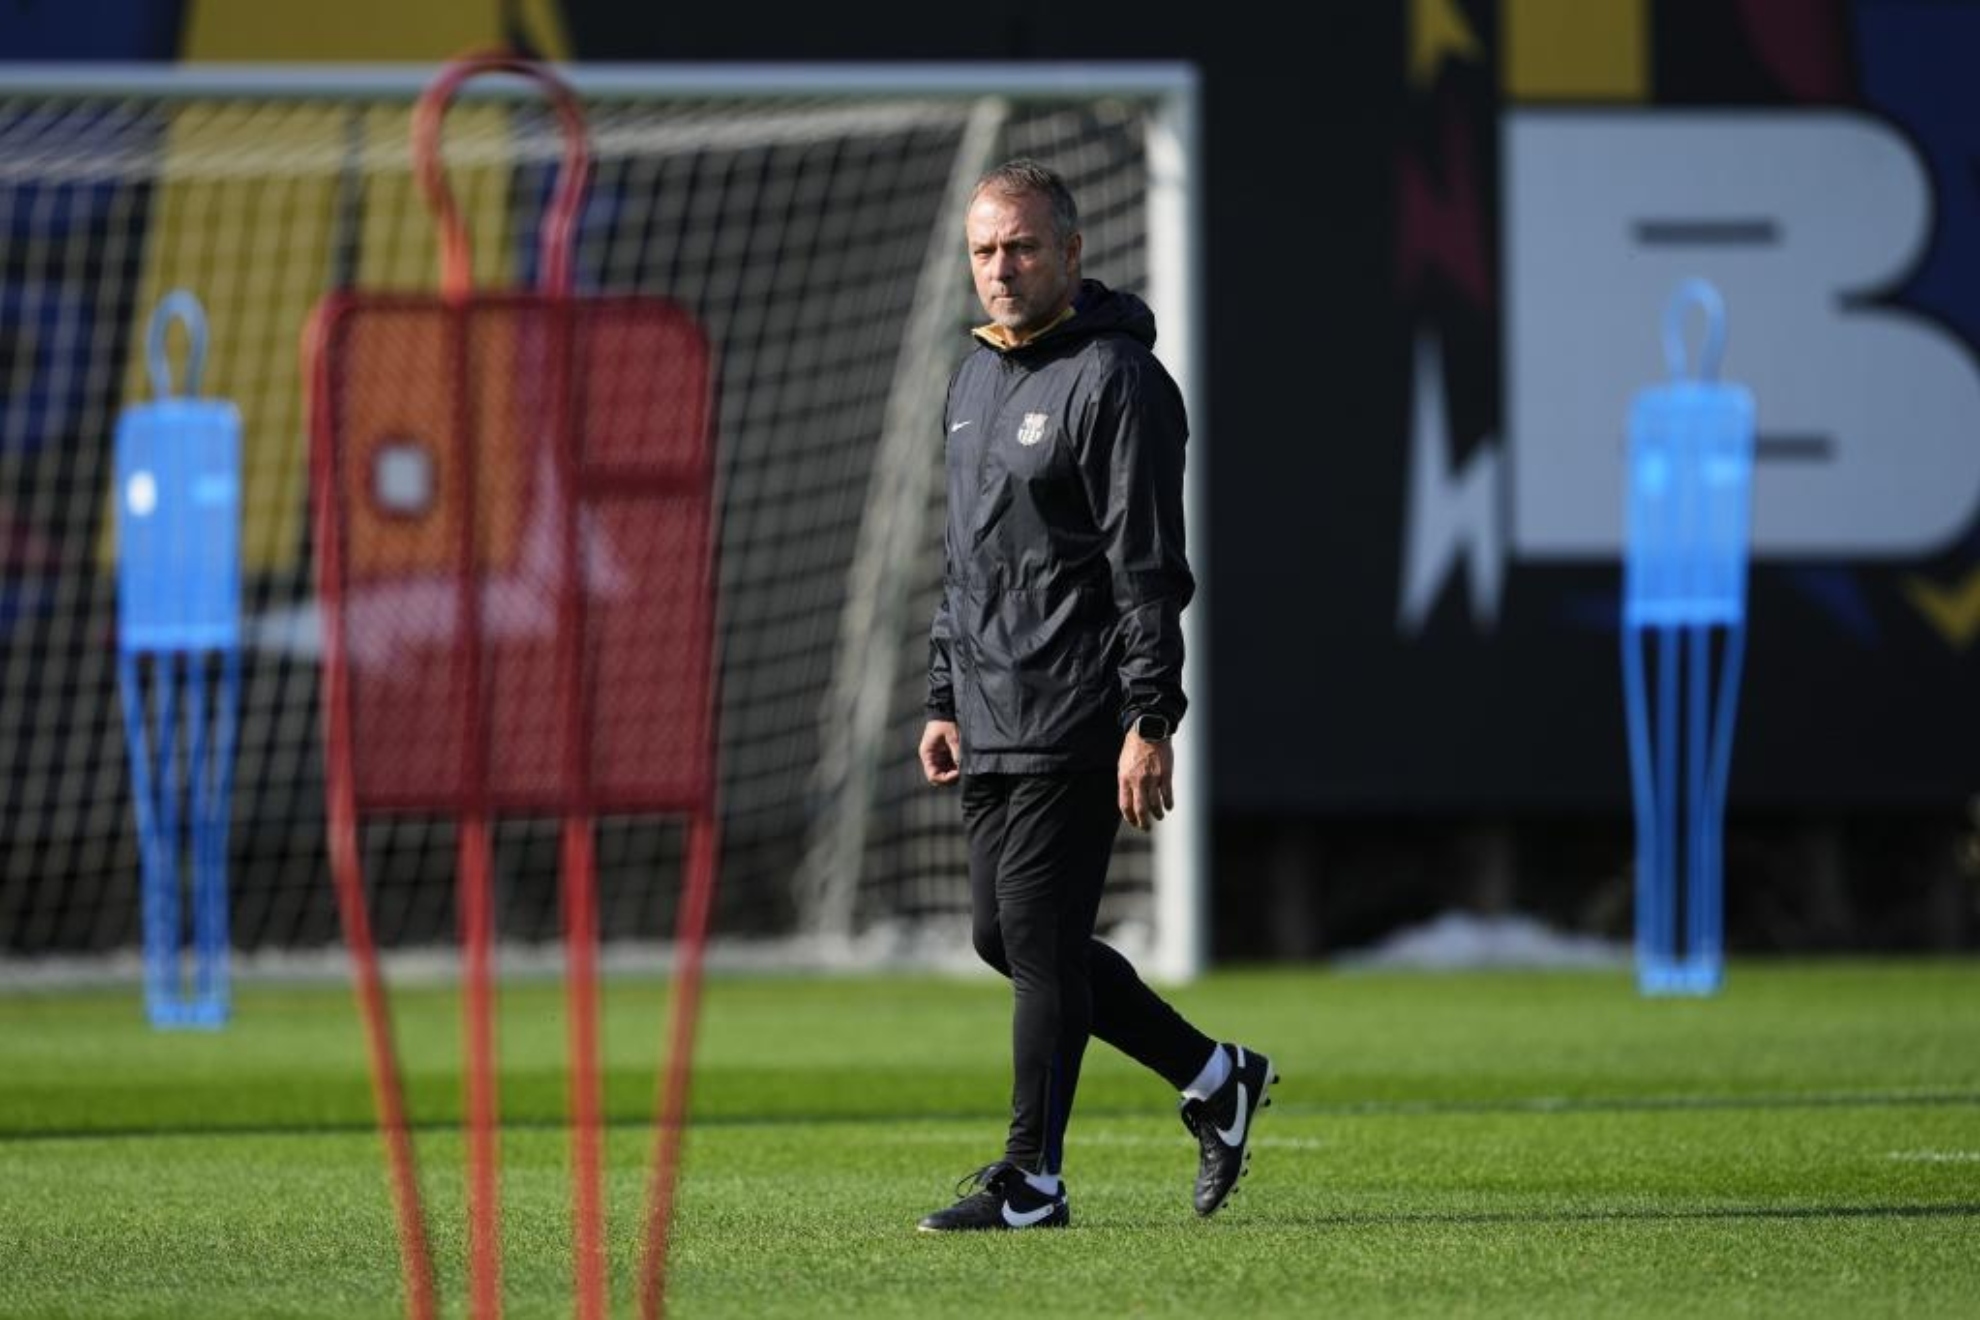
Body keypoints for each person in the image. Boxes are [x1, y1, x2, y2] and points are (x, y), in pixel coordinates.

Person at [915, 158, 1275, 1233]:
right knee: (1008, 938)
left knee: (1035, 936)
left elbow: (1148, 566)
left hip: (1077, 707)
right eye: (985, 250)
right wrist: (943, 693)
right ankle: (1215, 1076)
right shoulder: (972, 379)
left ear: (1071, 253)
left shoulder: (1119, 379)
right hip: (990, 709)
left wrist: (1148, 717)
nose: (1001, 268)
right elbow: (965, 563)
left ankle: (1032, 1179)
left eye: (1022, 247)